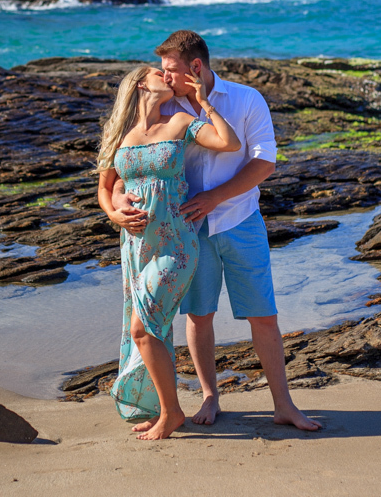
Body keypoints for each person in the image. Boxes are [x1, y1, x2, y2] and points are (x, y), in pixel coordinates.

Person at [111, 31, 322, 432]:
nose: (165, 77)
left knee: (263, 315)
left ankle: (284, 404)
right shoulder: (166, 108)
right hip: (187, 229)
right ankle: (210, 395)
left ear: (195, 67)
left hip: (241, 220)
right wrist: (119, 196)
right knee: (199, 315)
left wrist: (215, 198)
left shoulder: (245, 99)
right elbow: (133, 163)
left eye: (171, 69)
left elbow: (264, 162)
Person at [96, 64, 241, 440]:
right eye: (157, 72)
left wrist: (204, 103)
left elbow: (229, 143)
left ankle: (171, 413)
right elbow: (106, 188)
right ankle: (163, 409)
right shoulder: (121, 135)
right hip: (135, 246)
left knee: (143, 329)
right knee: (150, 330)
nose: (167, 75)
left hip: (175, 244)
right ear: (141, 83)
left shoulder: (180, 121)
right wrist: (116, 211)